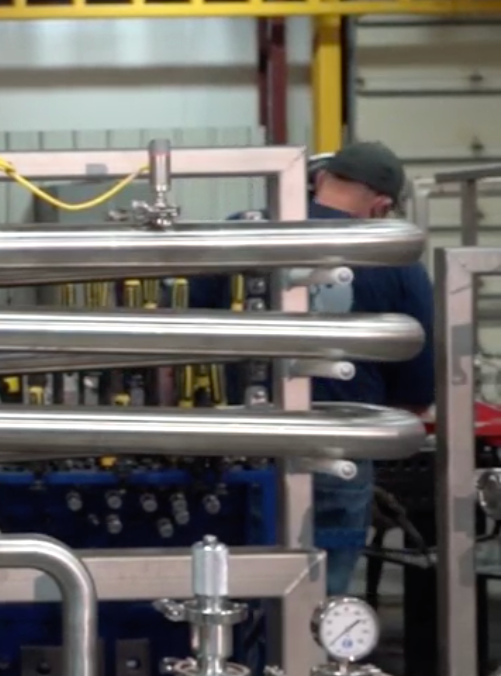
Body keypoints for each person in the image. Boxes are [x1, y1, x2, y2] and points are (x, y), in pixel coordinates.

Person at [186, 140, 435, 598]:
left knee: (235, 590)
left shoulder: (248, 231)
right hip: (339, 451)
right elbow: (418, 390)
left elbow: (191, 333)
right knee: (322, 597)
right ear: (381, 206)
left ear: (321, 180)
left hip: (243, 445)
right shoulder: (395, 258)